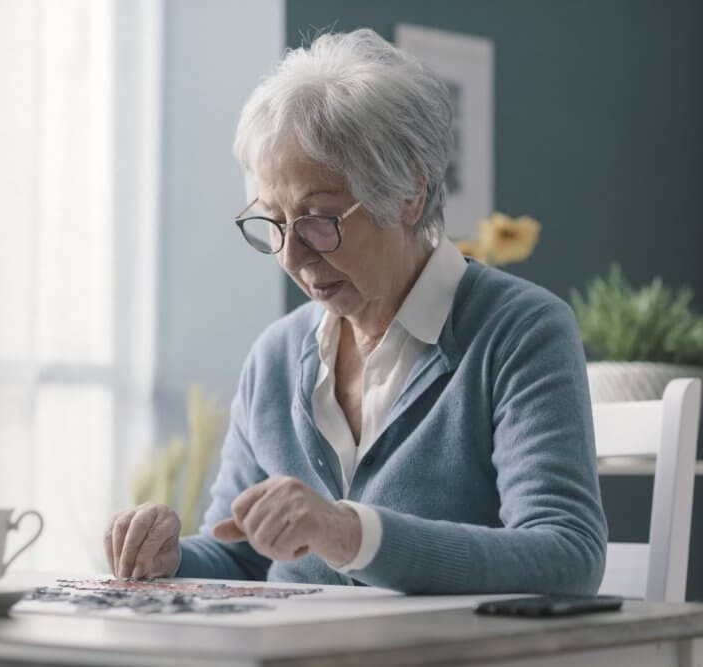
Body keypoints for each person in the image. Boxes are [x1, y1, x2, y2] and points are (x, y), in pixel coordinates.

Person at [104, 28, 606, 594]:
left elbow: (567, 556)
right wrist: (168, 557)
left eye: (320, 219)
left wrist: (352, 535)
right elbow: (239, 558)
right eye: (271, 222)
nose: (291, 256)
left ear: (409, 193)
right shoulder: (275, 356)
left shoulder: (520, 332)